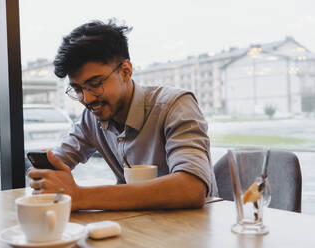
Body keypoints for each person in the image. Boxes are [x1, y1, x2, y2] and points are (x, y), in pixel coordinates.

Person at [27, 19, 218, 211]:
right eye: (77, 89)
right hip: (135, 228)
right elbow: (58, 161)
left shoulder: (174, 106)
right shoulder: (91, 117)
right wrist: (46, 176)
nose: (87, 98)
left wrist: (80, 196)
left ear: (126, 71)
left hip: (192, 230)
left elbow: (191, 188)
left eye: (95, 84)